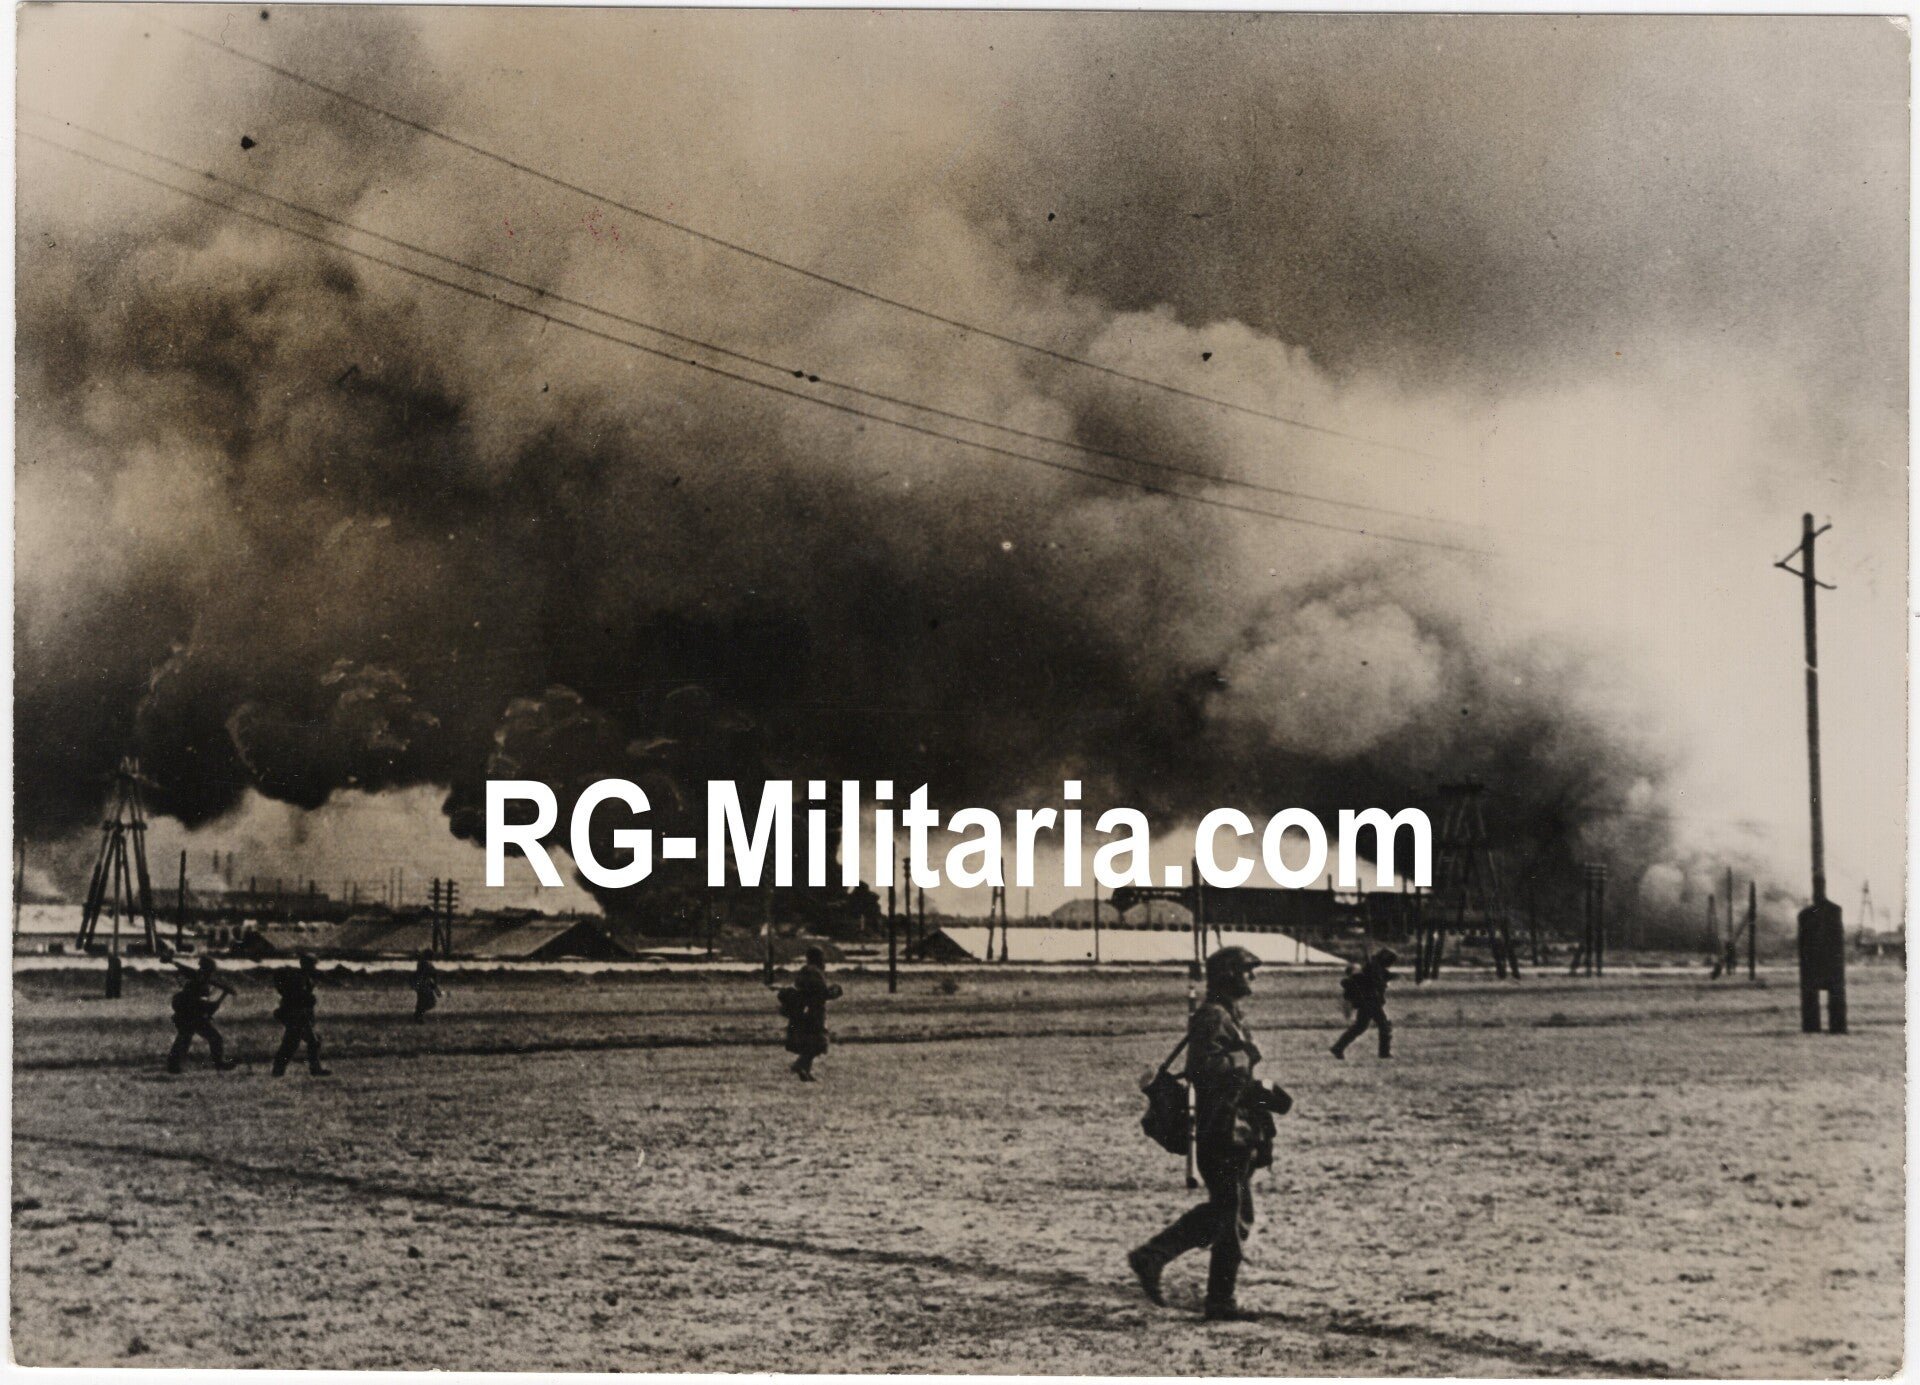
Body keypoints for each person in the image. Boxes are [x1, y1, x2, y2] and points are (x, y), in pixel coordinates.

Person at [1129, 945, 1279, 1322]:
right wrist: (1246, 1059)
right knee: (1232, 1216)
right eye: (1247, 971)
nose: (1252, 977)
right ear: (1229, 974)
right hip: (1221, 1129)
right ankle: (1218, 1301)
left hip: (1236, 1126)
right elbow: (1205, 1067)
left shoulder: (1226, 1013)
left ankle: (1153, 1256)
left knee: (1226, 1212)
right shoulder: (1214, 1016)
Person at [166, 957, 237, 1073]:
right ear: (208, 970)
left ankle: (173, 1066)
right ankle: (218, 1063)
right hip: (191, 1016)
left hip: (189, 1015)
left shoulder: (199, 977)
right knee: (210, 1038)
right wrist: (217, 1001)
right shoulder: (199, 981)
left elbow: (185, 970)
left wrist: (173, 962)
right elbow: (202, 1004)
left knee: (185, 1039)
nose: (211, 973)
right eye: (210, 971)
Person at [784, 946, 842, 1082]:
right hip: (814, 1012)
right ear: (818, 958)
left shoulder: (804, 971)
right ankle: (799, 1065)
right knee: (818, 1042)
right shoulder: (815, 973)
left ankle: (805, 1071)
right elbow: (820, 993)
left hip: (804, 1011)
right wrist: (834, 992)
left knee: (811, 1042)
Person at [271, 953, 332, 1077]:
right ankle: (313, 1069)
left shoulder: (302, 976)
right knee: (299, 1042)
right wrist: (310, 998)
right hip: (297, 1014)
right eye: (313, 964)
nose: (315, 967)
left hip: (298, 1015)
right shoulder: (298, 978)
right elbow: (298, 997)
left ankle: (279, 1070)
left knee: (296, 1042)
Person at [1332, 948, 1397, 1060]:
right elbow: (1376, 980)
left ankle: (1338, 1047)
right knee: (1384, 1026)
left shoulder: (1374, 967)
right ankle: (1384, 1053)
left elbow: (1382, 977)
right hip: (1371, 1002)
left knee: (1360, 1027)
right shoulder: (1373, 968)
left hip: (1368, 1002)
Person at [410, 953, 441, 1023]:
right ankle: (418, 1016)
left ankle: (418, 1016)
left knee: (422, 1002)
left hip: (422, 985)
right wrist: (436, 990)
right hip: (425, 985)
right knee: (426, 1002)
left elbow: (419, 975)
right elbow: (432, 976)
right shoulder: (427, 965)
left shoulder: (422, 964)